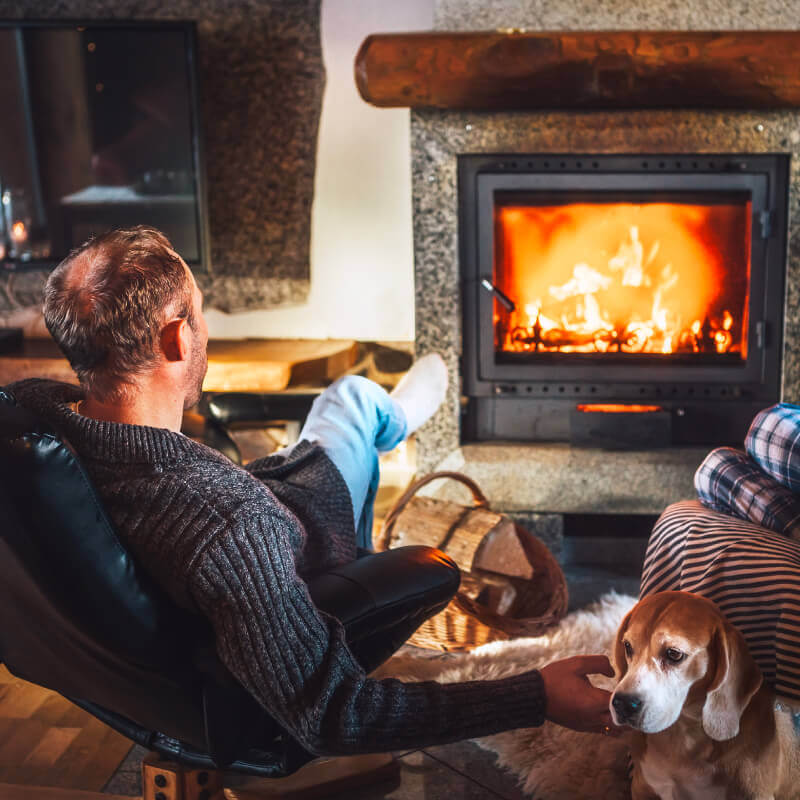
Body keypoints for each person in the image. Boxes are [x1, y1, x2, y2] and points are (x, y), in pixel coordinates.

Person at [10, 226, 618, 757]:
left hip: (247, 508)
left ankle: (386, 422)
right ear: (175, 341)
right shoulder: (229, 526)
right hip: (304, 541)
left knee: (340, 412)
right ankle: (389, 424)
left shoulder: (29, 415)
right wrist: (536, 694)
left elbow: (205, 503)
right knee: (348, 404)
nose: (204, 330)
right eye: (200, 314)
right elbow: (334, 715)